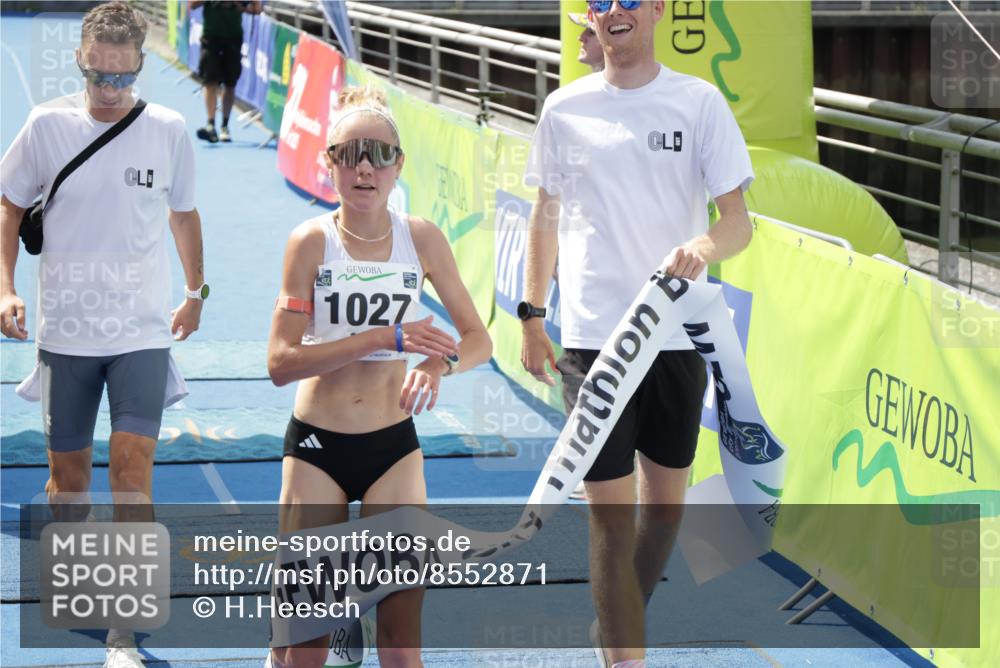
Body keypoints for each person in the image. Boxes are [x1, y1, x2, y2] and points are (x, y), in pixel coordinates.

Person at [520, 1, 754, 666]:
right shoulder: (564, 109)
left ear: (656, 9)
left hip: (675, 338)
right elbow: (544, 215)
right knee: (610, 517)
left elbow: (739, 220)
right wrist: (531, 314)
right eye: (599, 1)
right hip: (596, 342)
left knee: (665, 514)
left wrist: (704, 247)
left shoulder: (698, 102)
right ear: (589, 18)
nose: (614, 11)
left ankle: (615, 621)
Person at [0, 2, 205, 666]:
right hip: (65, 332)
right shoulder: (45, 126)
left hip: (140, 332)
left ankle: (125, 629)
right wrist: (4, 287)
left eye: (124, 78)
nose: (111, 92)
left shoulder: (168, 129)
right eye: (100, 78)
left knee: (130, 471)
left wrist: (195, 291)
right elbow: (7, 204)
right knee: (68, 485)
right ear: (82, 63)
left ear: (139, 66)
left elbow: (184, 214)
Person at [266, 85, 492, 668]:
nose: (364, 166)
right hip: (318, 447)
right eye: (349, 153)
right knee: (303, 651)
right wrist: (381, 339)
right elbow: (280, 364)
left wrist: (437, 364)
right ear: (329, 163)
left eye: (379, 154)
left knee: (401, 646)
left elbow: (478, 340)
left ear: (398, 167)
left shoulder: (421, 239)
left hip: (394, 449)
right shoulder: (310, 243)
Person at [190, 0, 261, 143]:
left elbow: (256, 8)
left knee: (230, 82)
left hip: (233, 37)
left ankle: (225, 126)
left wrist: (238, 4)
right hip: (211, 36)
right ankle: (210, 124)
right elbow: (192, 4)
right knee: (210, 80)